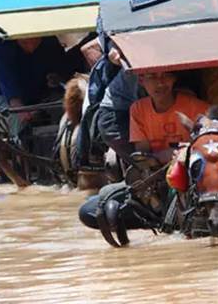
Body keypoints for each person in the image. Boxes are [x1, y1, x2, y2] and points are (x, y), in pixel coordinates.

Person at [79, 71, 209, 230]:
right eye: (152, 77)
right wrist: (166, 155)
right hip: (156, 181)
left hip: (190, 179)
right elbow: (144, 157)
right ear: (141, 81)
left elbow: (211, 143)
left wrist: (186, 152)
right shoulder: (138, 109)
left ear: (174, 78)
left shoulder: (196, 106)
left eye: (165, 76)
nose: (160, 83)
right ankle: (154, 220)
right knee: (89, 209)